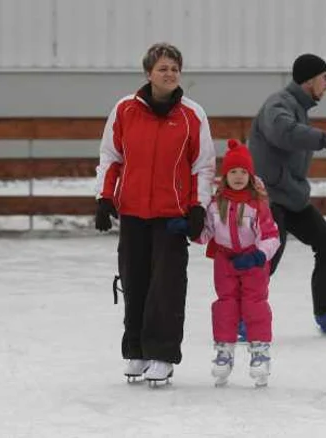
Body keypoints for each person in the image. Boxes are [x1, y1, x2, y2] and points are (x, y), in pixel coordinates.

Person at [94, 42, 216, 385]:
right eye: (163, 68)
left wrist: (198, 206)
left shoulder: (193, 115)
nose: (170, 74)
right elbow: (111, 158)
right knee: (135, 282)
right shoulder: (125, 110)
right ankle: (136, 349)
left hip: (171, 216)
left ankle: (162, 354)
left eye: (175, 68)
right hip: (133, 212)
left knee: (167, 287)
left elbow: (203, 166)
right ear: (149, 73)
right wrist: (105, 198)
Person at [247, 53, 326, 334]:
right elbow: (282, 132)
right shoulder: (279, 104)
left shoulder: (298, 106)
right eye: (325, 77)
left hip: (290, 194)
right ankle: (242, 316)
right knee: (271, 253)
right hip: (269, 195)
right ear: (309, 80)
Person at [177, 139, 280, 387]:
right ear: (225, 176)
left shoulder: (257, 204)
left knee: (254, 305)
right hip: (225, 261)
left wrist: (258, 256)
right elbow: (207, 234)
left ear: (250, 175)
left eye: (243, 172)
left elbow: (271, 236)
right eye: (233, 171)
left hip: (252, 262)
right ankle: (224, 350)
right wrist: (188, 229)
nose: (237, 176)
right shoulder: (217, 203)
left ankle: (260, 352)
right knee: (225, 306)